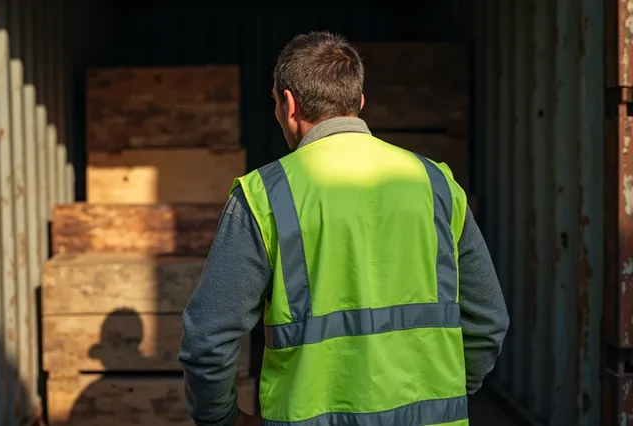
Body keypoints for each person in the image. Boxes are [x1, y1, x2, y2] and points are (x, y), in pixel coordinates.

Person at [178, 31, 509, 426]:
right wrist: (449, 391)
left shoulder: (265, 195)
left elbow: (207, 341)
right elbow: (488, 323)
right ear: (359, 103)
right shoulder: (437, 185)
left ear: (288, 104)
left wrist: (223, 420)